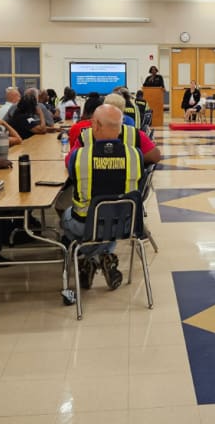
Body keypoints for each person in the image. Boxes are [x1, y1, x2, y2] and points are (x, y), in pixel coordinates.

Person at [63, 105, 144, 290]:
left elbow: (72, 178)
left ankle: (90, 259)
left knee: (65, 218)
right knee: (109, 220)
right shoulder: (136, 155)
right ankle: (104, 256)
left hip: (85, 223)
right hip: (125, 224)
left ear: (97, 125)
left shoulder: (79, 156)